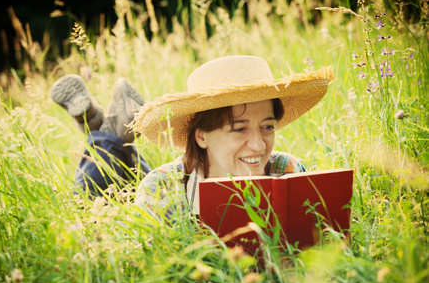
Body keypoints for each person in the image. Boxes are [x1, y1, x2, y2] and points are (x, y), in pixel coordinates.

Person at [51, 55, 333, 216]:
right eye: (239, 128)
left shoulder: (290, 172)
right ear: (201, 137)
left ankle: (101, 128)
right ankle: (105, 134)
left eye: (267, 126)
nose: (259, 145)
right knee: (91, 201)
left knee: (127, 173)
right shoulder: (160, 188)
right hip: (151, 194)